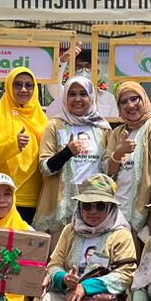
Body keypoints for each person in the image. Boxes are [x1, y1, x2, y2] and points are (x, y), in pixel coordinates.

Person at [32, 174, 138, 301]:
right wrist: (63, 278)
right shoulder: (70, 231)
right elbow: (54, 263)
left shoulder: (120, 235)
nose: (93, 212)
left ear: (110, 207)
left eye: (100, 205)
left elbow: (127, 275)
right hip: (67, 298)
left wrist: (85, 286)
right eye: (87, 206)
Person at [35, 75, 112, 235]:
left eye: (83, 94)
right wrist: (67, 152)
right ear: (65, 98)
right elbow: (45, 168)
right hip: (62, 203)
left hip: (93, 204)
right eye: (72, 94)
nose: (78, 99)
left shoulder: (102, 128)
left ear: (91, 97)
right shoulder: (55, 125)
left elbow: (107, 168)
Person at [102, 80, 151, 241]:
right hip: (117, 209)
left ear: (144, 99)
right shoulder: (117, 132)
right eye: (123, 102)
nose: (130, 105)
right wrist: (118, 153)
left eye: (134, 99)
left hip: (144, 211)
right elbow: (106, 171)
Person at [0, 66, 47, 223]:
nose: (24, 90)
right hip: (3, 198)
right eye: (18, 85)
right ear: (9, 87)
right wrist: (14, 145)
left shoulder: (43, 120)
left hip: (33, 198)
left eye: (29, 85)